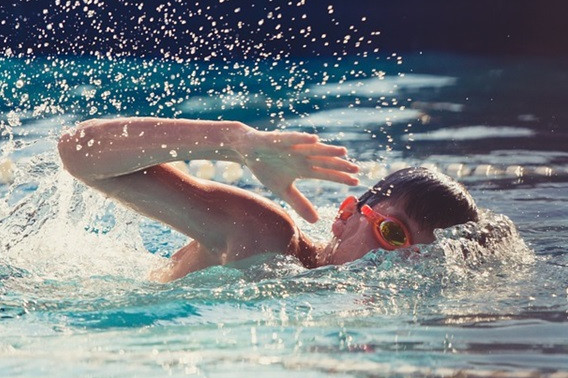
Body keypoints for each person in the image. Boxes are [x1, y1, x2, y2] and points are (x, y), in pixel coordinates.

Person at [58, 117, 479, 281]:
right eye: (392, 233)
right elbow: (78, 153)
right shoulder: (265, 236)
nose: (393, 265)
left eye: (419, 259)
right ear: (346, 215)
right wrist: (234, 141)